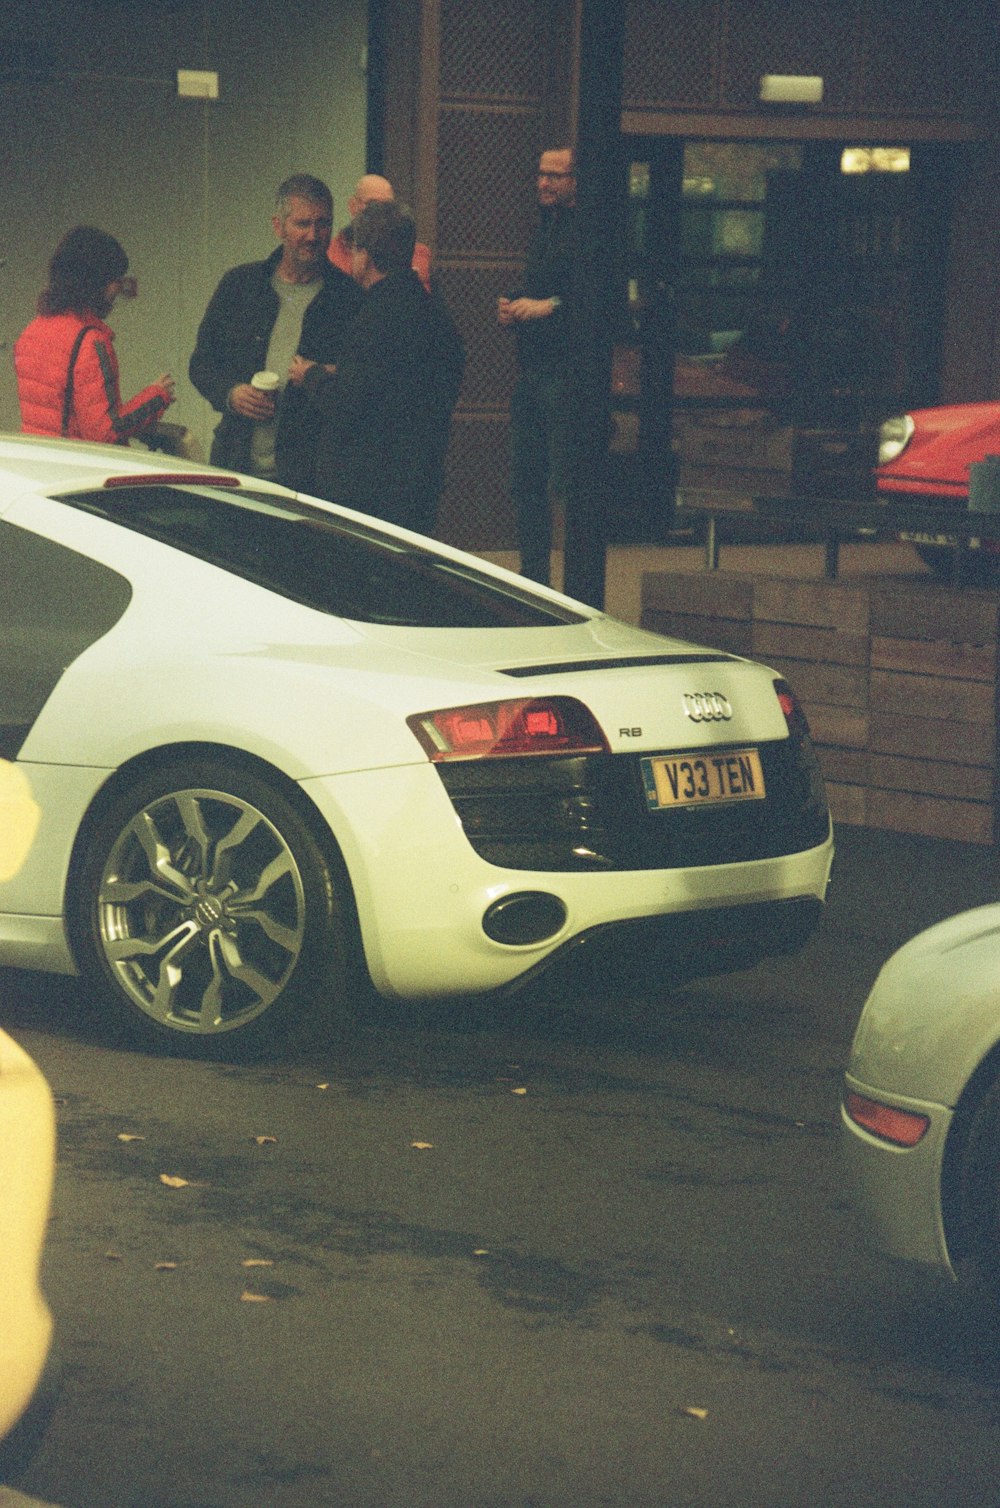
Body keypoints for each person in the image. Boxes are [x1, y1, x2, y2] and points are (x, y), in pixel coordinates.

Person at [289, 200, 464, 534]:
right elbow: (408, 384)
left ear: (365, 255)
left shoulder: (371, 317)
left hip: (368, 489)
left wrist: (310, 375)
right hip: (420, 480)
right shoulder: (436, 315)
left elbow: (348, 403)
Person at [189, 173, 363, 492]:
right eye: (302, 224)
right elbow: (201, 364)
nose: (313, 235)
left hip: (310, 479)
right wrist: (231, 394)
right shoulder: (240, 286)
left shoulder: (348, 299)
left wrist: (326, 375)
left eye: (323, 223)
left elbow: (360, 385)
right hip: (236, 468)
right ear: (278, 226)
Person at [497, 146, 577, 584]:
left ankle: (576, 578)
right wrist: (513, 310)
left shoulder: (588, 232)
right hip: (532, 367)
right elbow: (540, 290)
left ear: (576, 182)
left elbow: (595, 301)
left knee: (564, 480)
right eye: (541, 174)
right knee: (526, 479)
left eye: (555, 176)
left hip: (566, 372)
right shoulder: (543, 229)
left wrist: (549, 307)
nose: (543, 183)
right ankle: (535, 577)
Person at [15, 226, 175, 444]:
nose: (116, 289)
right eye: (114, 279)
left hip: (42, 464)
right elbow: (105, 431)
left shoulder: (34, 330)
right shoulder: (90, 341)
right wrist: (157, 397)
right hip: (79, 465)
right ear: (94, 280)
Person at [328, 174, 433, 292]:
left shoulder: (416, 253)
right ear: (353, 206)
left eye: (387, 206)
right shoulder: (330, 253)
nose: (380, 212)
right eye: (372, 204)